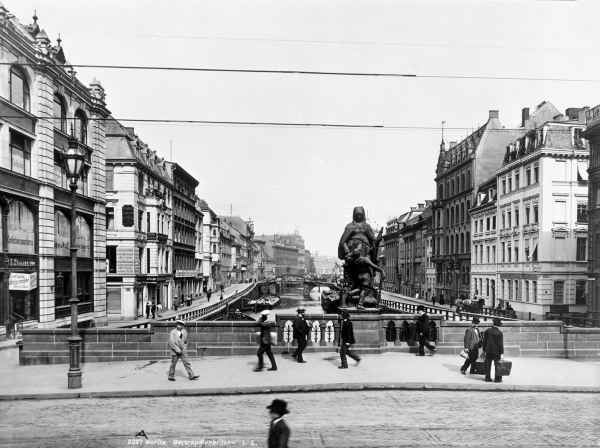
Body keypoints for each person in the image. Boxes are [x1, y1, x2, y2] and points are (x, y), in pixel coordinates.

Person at [483, 317, 504, 383]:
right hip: (496, 352)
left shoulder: (487, 330)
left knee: (488, 364)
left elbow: (485, 341)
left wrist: (484, 350)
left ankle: (487, 378)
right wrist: (502, 353)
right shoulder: (499, 332)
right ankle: (497, 379)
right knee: (497, 365)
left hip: (488, 351)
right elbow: (500, 344)